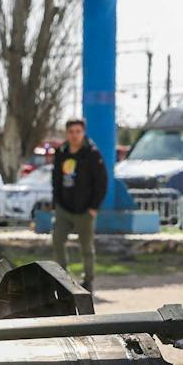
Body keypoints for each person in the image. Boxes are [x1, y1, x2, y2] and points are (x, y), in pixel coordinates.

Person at [50, 117, 108, 291]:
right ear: (66, 133)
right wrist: (56, 203)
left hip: (85, 210)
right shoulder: (61, 152)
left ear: (83, 133)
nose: (74, 135)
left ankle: (88, 280)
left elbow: (102, 182)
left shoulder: (92, 154)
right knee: (57, 240)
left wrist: (94, 207)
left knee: (86, 246)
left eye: (78, 132)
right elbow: (56, 179)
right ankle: (62, 278)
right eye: (71, 132)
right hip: (64, 208)